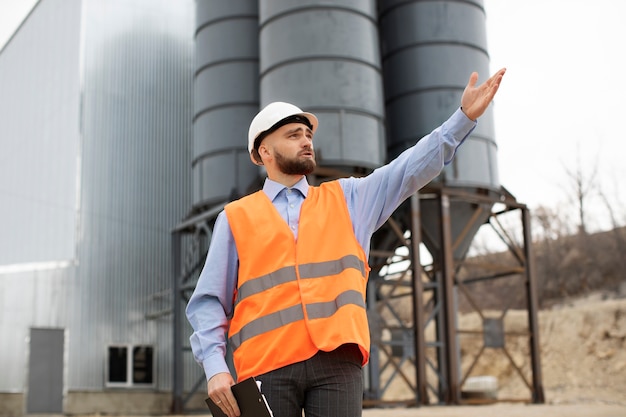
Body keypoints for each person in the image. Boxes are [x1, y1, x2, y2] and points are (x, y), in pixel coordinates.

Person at [186, 68, 506, 417]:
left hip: (336, 363)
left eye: (307, 134)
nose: (306, 141)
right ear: (264, 151)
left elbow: (409, 168)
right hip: (265, 367)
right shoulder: (235, 217)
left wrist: (461, 120)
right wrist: (216, 367)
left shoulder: (349, 199)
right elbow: (208, 302)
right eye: (294, 135)